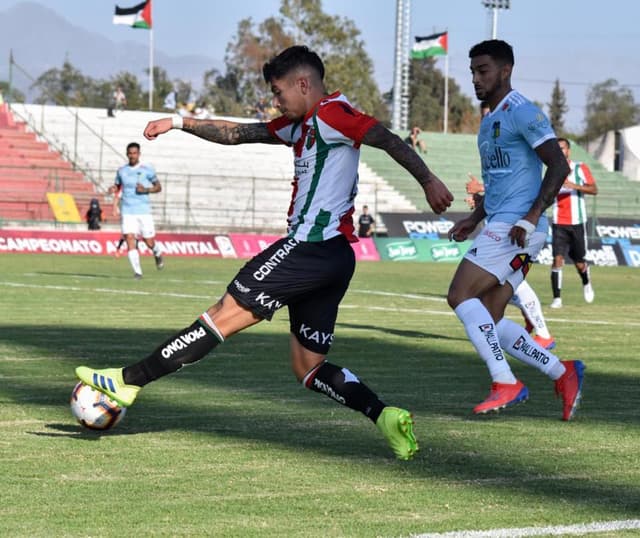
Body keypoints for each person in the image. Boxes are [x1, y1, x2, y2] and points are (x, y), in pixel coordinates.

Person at [76, 45, 453, 460]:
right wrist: (178, 122)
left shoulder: (331, 114)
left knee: (223, 313)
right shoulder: (303, 125)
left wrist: (428, 180)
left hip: (310, 247)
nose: (276, 101)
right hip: (335, 259)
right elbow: (237, 133)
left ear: (303, 84)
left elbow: (382, 135)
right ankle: (384, 415)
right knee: (308, 367)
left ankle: (128, 380)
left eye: (278, 92)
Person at [447, 39, 584, 421]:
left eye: (483, 70)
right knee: (488, 317)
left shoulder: (523, 112)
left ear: (505, 71)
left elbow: (558, 166)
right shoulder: (490, 120)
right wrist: (473, 219)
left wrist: (530, 215)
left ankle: (505, 381)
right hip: (504, 223)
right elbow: (499, 184)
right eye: (472, 71)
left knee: (459, 294)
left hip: (519, 227)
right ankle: (563, 372)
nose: (475, 78)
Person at [464, 173, 556, 350]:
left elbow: (516, 188)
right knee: (492, 285)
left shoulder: (524, 158)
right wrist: (481, 200)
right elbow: (503, 193)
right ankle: (531, 318)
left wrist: (481, 188)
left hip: (519, 227)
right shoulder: (501, 161)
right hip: (504, 227)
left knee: (511, 283)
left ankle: (544, 335)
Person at [549, 137, 598, 308]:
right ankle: (557, 298)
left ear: (568, 150)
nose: (560, 151)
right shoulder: (552, 170)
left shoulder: (579, 168)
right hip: (558, 222)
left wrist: (574, 186)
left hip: (577, 222)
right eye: (557, 149)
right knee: (557, 260)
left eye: (562, 148)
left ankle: (586, 281)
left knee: (579, 262)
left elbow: (594, 189)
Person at [110, 142, 164, 279]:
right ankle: (137, 272)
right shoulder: (122, 171)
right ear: (127, 154)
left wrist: (146, 189)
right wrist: (113, 191)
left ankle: (156, 252)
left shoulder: (147, 169)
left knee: (148, 241)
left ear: (139, 154)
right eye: (130, 153)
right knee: (129, 237)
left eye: (135, 153)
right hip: (127, 210)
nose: (132, 156)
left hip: (143, 211)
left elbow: (158, 187)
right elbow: (117, 186)